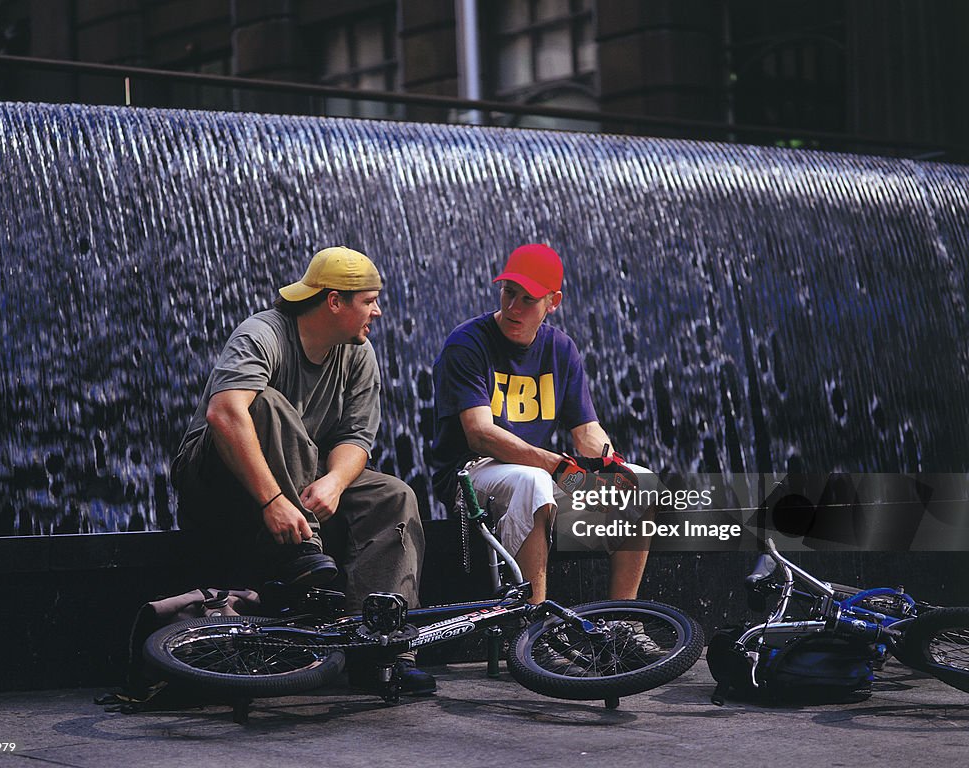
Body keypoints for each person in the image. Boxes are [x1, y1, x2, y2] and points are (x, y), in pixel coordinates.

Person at [172, 246, 433, 694]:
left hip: (302, 477)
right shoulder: (262, 333)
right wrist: (274, 502)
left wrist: (333, 481)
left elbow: (356, 439)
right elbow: (225, 414)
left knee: (393, 496)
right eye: (369, 301)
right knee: (266, 404)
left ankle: (382, 647)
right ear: (334, 301)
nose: (379, 311)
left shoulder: (358, 353)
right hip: (218, 479)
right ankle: (298, 553)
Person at [430, 243, 652, 603]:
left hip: (540, 470)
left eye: (527, 300)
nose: (513, 307)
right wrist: (558, 467)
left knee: (639, 483)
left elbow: (587, 432)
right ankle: (533, 625)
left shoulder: (561, 349)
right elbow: (480, 435)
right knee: (533, 482)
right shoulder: (467, 344)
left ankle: (622, 620)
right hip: (470, 474)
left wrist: (613, 464)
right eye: (508, 293)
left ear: (553, 302)